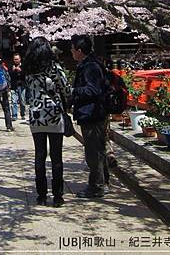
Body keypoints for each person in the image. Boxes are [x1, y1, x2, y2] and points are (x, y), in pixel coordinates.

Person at [24, 37, 71, 207]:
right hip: (53, 113)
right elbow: (66, 88)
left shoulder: (29, 70)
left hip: (36, 115)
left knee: (40, 155)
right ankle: (58, 196)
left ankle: (41, 195)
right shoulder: (54, 68)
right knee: (56, 156)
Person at [70, 34, 108, 199]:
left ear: (79, 50)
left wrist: (74, 91)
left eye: (72, 48)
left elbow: (93, 90)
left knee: (93, 152)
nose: (70, 51)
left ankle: (96, 186)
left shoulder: (90, 67)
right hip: (92, 113)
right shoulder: (88, 64)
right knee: (97, 150)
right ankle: (102, 182)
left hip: (93, 113)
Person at [9, 53, 26, 121]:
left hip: (22, 86)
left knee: (22, 101)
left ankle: (22, 114)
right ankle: (14, 115)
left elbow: (25, 75)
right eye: (15, 59)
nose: (16, 60)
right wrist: (13, 70)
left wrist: (21, 71)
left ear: (20, 59)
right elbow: (9, 74)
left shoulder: (23, 66)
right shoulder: (11, 66)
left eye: (17, 59)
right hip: (13, 86)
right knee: (14, 101)